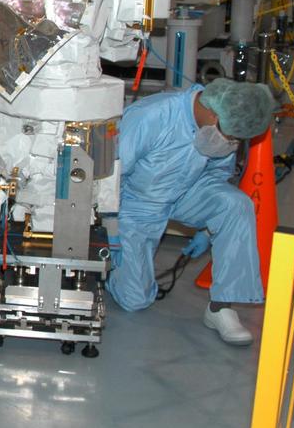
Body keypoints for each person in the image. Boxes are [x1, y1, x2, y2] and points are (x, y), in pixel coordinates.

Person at [109, 78, 278, 345]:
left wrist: (206, 229)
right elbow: (110, 175)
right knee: (135, 300)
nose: (231, 143)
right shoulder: (151, 117)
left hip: (188, 190)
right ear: (213, 113)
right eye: (231, 136)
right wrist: (109, 229)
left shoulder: (222, 126)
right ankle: (111, 269)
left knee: (235, 204)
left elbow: (217, 175)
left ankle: (221, 307)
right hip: (137, 204)